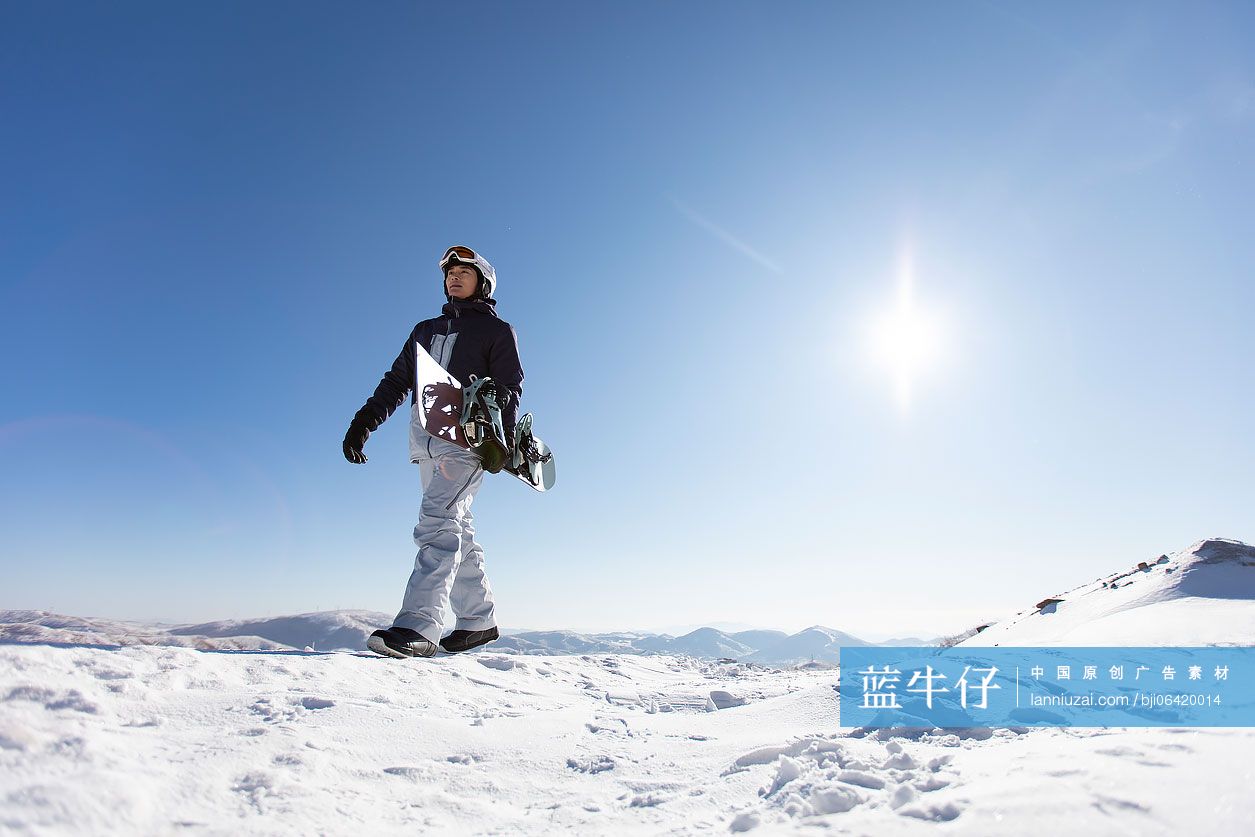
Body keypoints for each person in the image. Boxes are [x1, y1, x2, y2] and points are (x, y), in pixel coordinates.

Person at [343, 245, 524, 658]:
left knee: (436, 522)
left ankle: (419, 626)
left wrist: (505, 440)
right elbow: (396, 381)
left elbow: (510, 388)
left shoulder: (497, 332)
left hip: (467, 441)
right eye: (449, 273)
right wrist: (364, 422)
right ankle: (478, 621)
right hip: (425, 441)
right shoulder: (425, 330)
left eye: (465, 271)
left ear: (483, 282)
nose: (454, 278)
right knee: (457, 527)